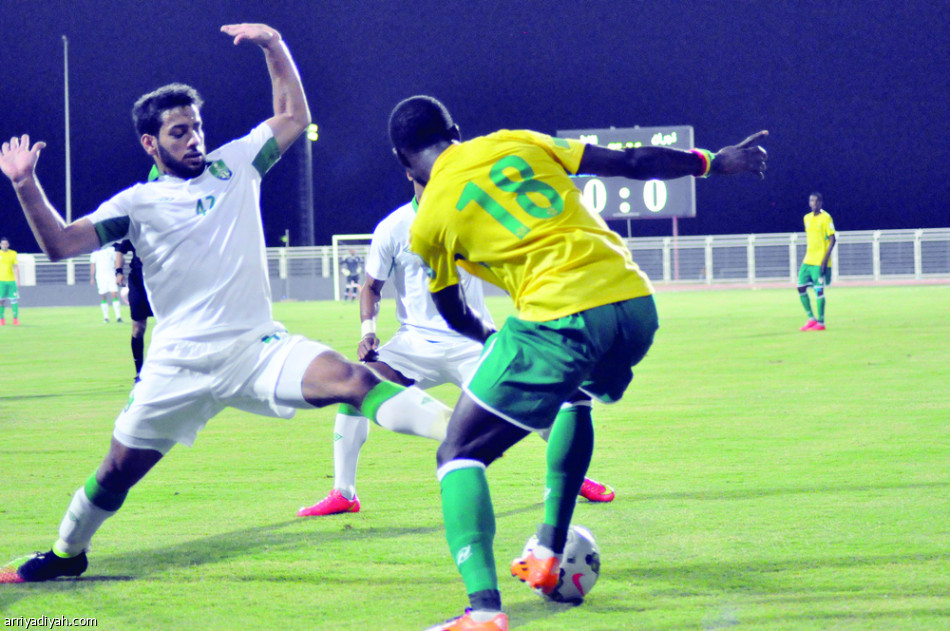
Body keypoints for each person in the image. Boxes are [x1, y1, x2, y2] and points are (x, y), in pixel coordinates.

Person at [0, 24, 449, 585]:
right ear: (150, 143)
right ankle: (68, 552)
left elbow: (294, 117)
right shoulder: (137, 204)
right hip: (177, 364)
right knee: (115, 471)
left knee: (354, 380)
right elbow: (60, 245)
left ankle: (463, 433)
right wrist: (25, 185)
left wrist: (274, 47)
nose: (194, 139)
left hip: (256, 349)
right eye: (179, 132)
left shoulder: (235, 165)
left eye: (197, 127)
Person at [388, 95, 769, 630]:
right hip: (634, 306)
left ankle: (484, 612)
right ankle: (548, 549)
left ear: (403, 162)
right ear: (456, 130)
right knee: (574, 395)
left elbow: (451, 309)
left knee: (458, 453)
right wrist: (713, 162)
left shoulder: (428, 221)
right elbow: (632, 161)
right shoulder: (516, 141)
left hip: (560, 316)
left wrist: (487, 337)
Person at [298, 180, 615, 518]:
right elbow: (371, 288)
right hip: (414, 344)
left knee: (533, 400)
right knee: (354, 386)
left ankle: (573, 476)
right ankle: (343, 493)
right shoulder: (393, 227)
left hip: (471, 341)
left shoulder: (474, 218)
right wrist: (368, 332)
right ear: (409, 172)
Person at [797, 192, 836, 331]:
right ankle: (811, 319)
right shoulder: (806, 218)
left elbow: (833, 239)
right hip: (808, 259)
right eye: (812, 201)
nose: (814, 203)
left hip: (819, 260)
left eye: (817, 201)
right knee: (800, 287)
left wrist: (825, 261)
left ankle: (821, 322)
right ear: (809, 203)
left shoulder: (826, 217)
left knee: (818, 290)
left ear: (820, 203)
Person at [114, 239, 151, 381]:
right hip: (138, 282)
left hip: (162, 280)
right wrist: (118, 272)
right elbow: (120, 250)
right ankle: (139, 373)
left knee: (169, 324)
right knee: (138, 327)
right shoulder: (135, 228)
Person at [90, 243, 123, 323]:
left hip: (111, 275)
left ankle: (118, 317)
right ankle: (106, 317)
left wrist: (118, 273)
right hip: (100, 276)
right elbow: (93, 265)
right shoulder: (95, 252)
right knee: (103, 296)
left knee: (114, 294)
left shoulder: (111, 250)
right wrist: (92, 277)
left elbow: (116, 262)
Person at [0, 237, 19, 325]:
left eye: (6, 244)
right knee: (1, 301)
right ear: (0, 245)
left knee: (14, 300)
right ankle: (2, 319)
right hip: (1, 281)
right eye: (3, 244)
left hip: (11, 281)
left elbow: (16, 267)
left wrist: (18, 280)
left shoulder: (13, 253)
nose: (4, 245)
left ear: (8, 245)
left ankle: (15, 319)